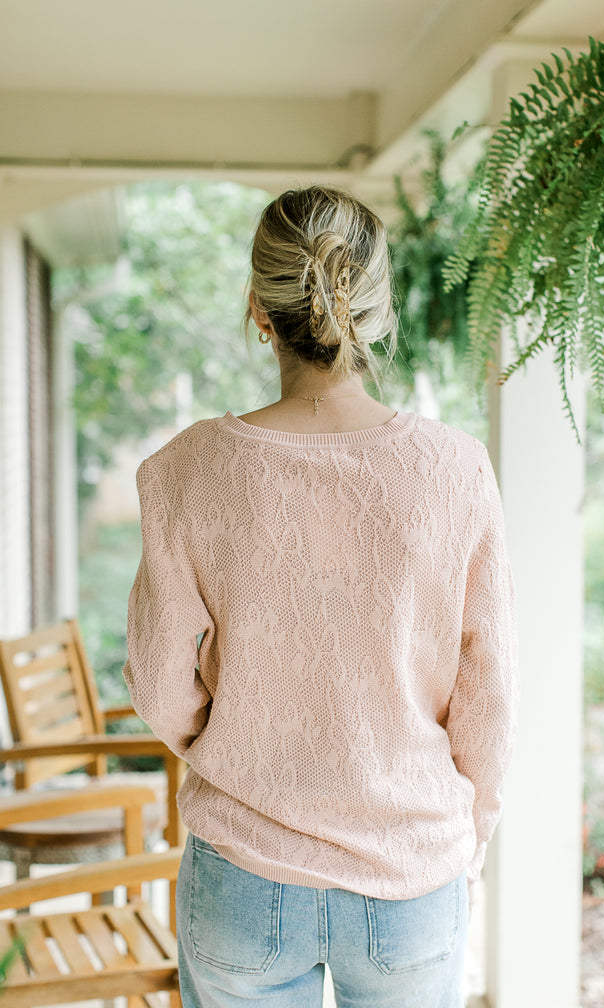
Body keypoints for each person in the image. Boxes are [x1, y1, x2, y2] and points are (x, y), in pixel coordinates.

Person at [123, 185, 518, 1008]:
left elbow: (162, 688)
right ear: (373, 312)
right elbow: (489, 693)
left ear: (259, 312)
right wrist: (465, 834)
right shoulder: (455, 471)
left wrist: (233, 753)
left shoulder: (187, 471)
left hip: (242, 873)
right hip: (410, 873)